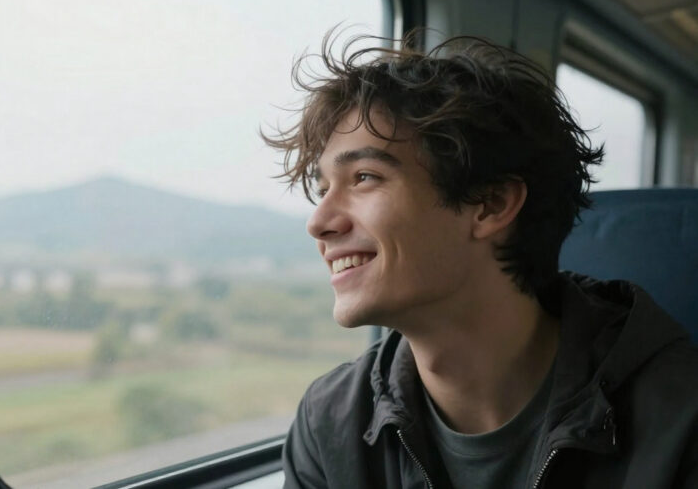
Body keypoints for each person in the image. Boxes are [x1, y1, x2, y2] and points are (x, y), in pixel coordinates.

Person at [262, 32, 698, 488]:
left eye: (365, 177)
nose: (319, 222)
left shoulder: (681, 419)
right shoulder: (329, 423)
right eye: (322, 188)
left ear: (490, 204)